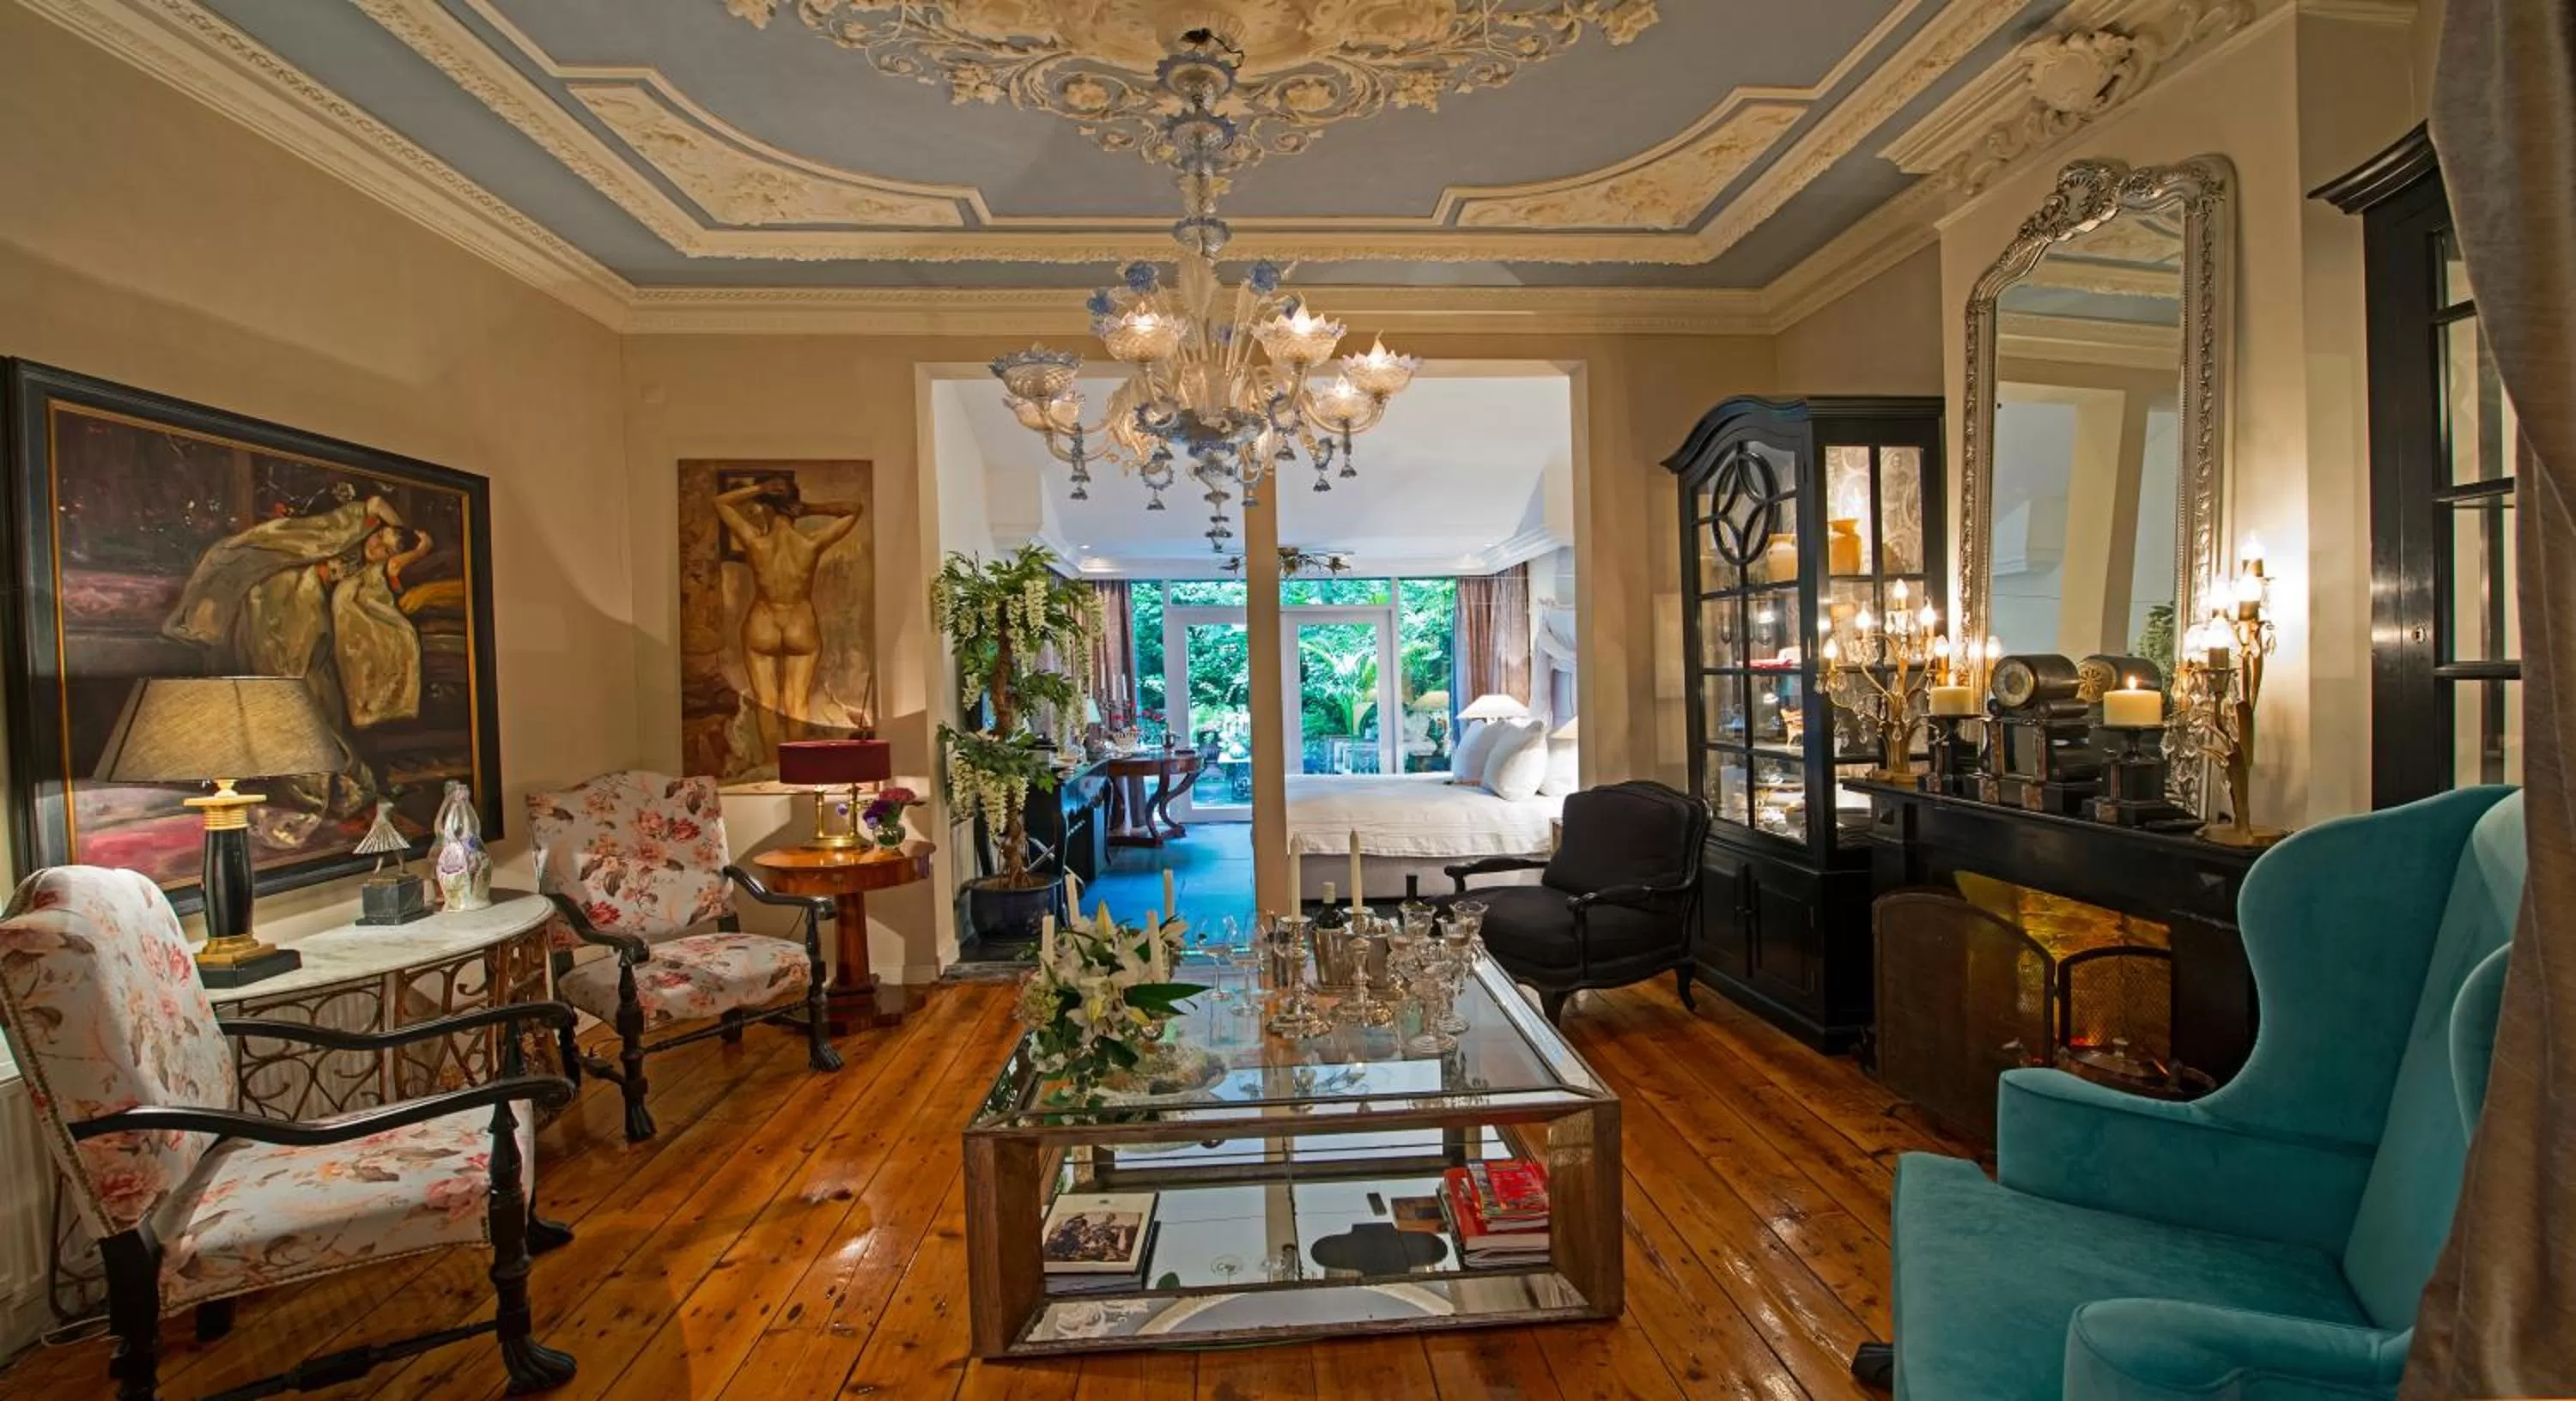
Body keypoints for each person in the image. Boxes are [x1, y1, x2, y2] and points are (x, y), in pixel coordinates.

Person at [713, 477, 860, 749]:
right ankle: (796, 767)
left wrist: (760, 490)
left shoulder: (755, 542)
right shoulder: (811, 544)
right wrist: (808, 508)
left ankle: (772, 766)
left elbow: (719, 502)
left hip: (763, 622)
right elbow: (854, 509)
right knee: (797, 701)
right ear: (793, 508)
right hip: (799, 623)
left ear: (765, 508)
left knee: (766, 704)